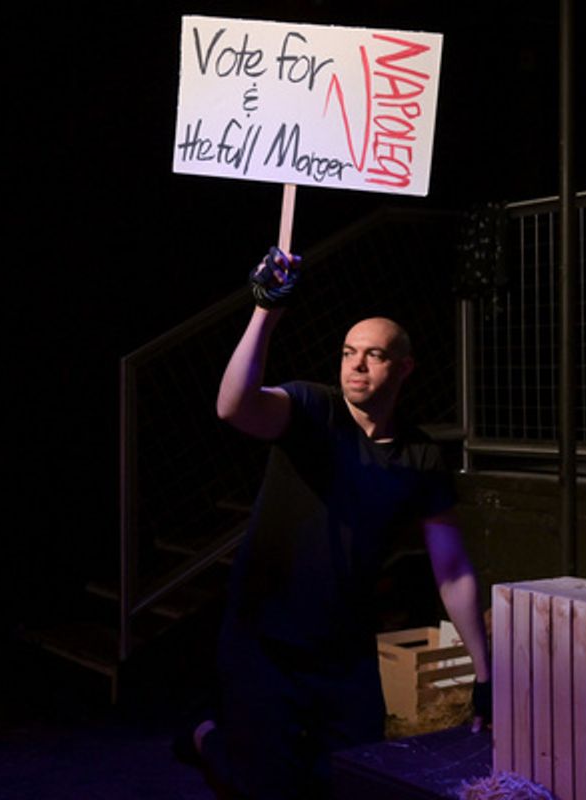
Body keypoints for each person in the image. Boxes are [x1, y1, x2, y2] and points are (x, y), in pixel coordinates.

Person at [178, 247, 491, 799]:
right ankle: (206, 738)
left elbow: (453, 571)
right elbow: (234, 407)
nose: (356, 365)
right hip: (264, 638)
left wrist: (484, 675)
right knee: (261, 783)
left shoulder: (420, 455)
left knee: (355, 773)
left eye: (373, 355)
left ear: (405, 367)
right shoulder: (309, 410)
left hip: (343, 647)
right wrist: (264, 311)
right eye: (348, 352)